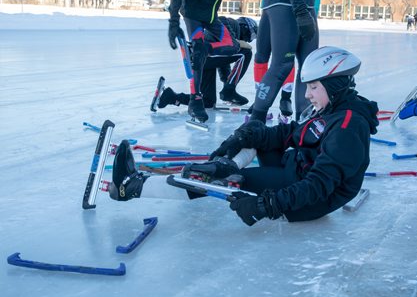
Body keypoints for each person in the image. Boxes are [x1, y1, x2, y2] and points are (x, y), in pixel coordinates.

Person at [108, 46, 380, 227]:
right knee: (254, 137)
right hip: (297, 167)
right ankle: (228, 164)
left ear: (333, 86)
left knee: (222, 181)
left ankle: (129, 188)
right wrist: (245, 135)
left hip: (308, 199)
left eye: (314, 87)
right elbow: (292, 134)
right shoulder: (333, 108)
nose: (307, 94)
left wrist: (268, 204)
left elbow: (320, 186)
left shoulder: (347, 128)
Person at [252, 0, 334, 120]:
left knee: (309, 68)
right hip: (287, 4)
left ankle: (303, 120)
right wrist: (300, 10)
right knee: (282, 65)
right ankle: (255, 122)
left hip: (304, 5)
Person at [167, 0, 240, 123]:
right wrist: (174, 21)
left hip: (211, 16)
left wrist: (207, 48)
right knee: (198, 49)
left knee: (233, 45)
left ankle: (203, 49)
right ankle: (195, 99)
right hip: (192, 14)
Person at [157, 16, 257, 109]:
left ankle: (172, 97)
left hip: (205, 61)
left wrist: (226, 81)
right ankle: (229, 90)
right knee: (246, 53)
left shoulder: (232, 36)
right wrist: (228, 89)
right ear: (245, 27)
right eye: (251, 35)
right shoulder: (228, 22)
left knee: (207, 101)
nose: (249, 40)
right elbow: (227, 42)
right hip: (205, 57)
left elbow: (223, 57)